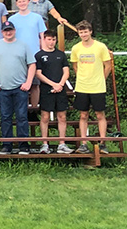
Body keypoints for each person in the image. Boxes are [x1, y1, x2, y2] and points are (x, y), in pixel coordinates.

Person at [0, 22, 35, 155]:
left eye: (10, 30)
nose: (8, 33)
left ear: (14, 30)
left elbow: (32, 64)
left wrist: (28, 82)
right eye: (6, 30)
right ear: (2, 32)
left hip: (20, 88)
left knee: (22, 117)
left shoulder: (23, 45)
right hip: (2, 88)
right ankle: (7, 145)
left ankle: (23, 145)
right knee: (5, 117)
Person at [71, 21, 114, 154]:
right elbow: (75, 66)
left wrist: (101, 78)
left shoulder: (100, 47)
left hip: (98, 87)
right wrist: (82, 78)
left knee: (99, 114)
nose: (83, 34)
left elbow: (108, 65)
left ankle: (102, 143)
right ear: (78, 33)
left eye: (85, 31)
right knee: (83, 115)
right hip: (82, 87)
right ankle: (84, 143)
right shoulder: (76, 48)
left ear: (90, 31)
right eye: (81, 32)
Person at [34, 29, 71, 155]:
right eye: (49, 39)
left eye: (53, 39)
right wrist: (52, 84)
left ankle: (62, 143)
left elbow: (66, 71)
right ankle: (45, 144)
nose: (51, 42)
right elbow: (38, 74)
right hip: (46, 89)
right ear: (44, 40)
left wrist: (60, 84)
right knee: (45, 117)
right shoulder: (39, 55)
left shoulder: (61, 54)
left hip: (60, 89)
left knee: (62, 116)